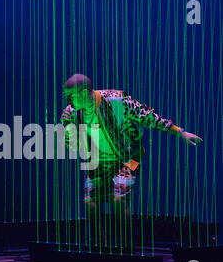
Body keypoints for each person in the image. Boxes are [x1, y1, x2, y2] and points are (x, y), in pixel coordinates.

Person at [60, 74, 203, 251]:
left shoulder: (116, 100)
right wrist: (69, 137)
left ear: (83, 92)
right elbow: (72, 142)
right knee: (90, 201)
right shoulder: (71, 112)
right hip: (99, 161)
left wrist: (180, 132)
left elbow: (148, 116)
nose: (69, 100)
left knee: (118, 198)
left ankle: (125, 249)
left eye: (71, 95)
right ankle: (98, 249)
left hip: (130, 158)